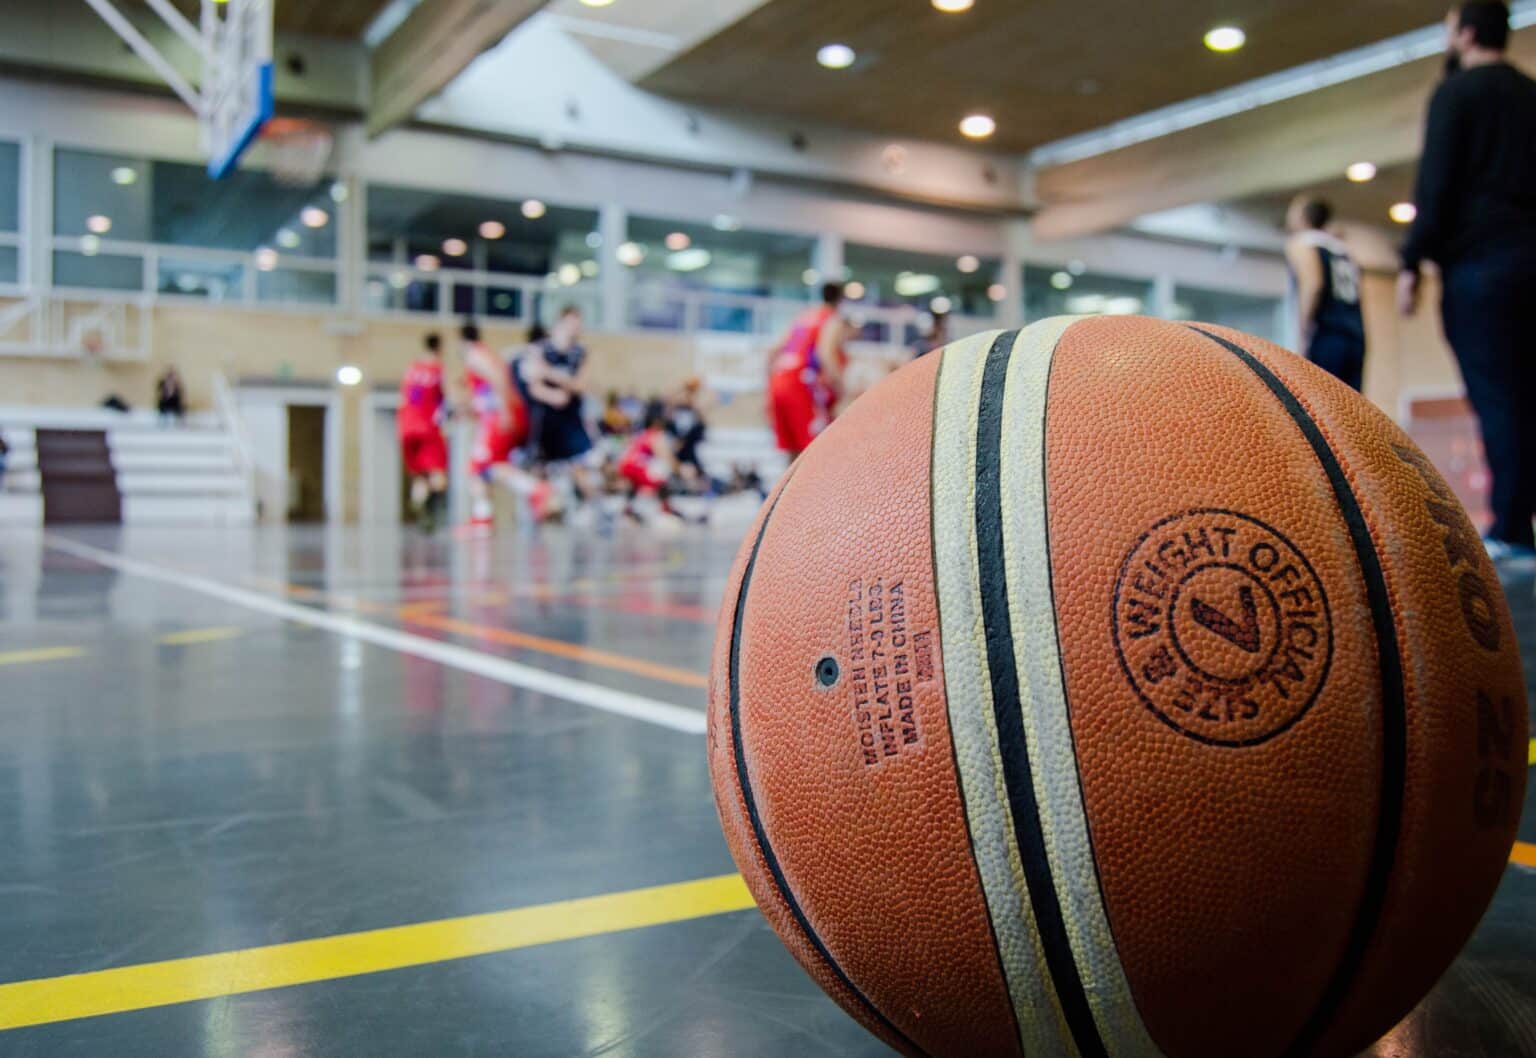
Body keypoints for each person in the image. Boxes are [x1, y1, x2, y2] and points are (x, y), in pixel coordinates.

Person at [1398, 1, 1536, 561]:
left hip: (1483, 268)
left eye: (1450, 25)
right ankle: (1516, 520)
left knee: (1498, 395)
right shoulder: (1531, 95)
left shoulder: (1457, 93)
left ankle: (1510, 528)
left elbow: (1437, 185)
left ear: (1467, 32)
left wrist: (1411, 260)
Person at [1284, 197, 1366, 390]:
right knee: (1351, 405)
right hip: (1355, 333)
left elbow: (1313, 284)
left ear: (1302, 216)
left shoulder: (1302, 243)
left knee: (1321, 403)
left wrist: (1303, 329)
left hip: (1327, 333)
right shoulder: (1342, 248)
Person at [523, 306, 603, 507]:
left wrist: (552, 375)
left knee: (580, 467)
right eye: (570, 323)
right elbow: (534, 385)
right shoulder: (541, 349)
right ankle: (537, 514)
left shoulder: (580, 353)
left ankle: (595, 510)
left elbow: (581, 385)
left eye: (577, 325)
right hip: (546, 418)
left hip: (570, 418)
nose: (574, 328)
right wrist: (554, 394)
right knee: (539, 469)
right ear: (559, 323)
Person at [769, 282, 852, 459]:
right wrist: (842, 388)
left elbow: (773, 351)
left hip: (778, 381)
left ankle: (789, 488)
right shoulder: (833, 319)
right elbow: (826, 354)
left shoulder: (802, 317)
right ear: (841, 299)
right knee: (814, 452)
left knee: (793, 455)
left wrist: (767, 385)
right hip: (801, 385)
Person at [461, 320, 529, 532]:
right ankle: (483, 517)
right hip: (494, 415)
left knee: (482, 467)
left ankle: (535, 489)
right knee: (481, 468)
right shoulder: (484, 354)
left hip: (497, 416)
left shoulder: (475, 354)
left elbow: (499, 379)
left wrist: (505, 410)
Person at [398, 333, 449, 531]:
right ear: (439, 347)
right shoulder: (437, 368)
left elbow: (404, 397)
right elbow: (446, 396)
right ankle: (434, 510)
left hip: (406, 426)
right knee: (437, 472)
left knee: (419, 475)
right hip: (428, 427)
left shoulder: (411, 368)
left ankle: (419, 502)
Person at [618, 410, 686, 523]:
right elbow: (665, 456)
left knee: (636, 485)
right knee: (661, 478)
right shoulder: (655, 435)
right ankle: (666, 508)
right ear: (656, 423)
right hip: (635, 466)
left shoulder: (642, 434)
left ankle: (628, 509)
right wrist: (680, 469)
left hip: (625, 465)